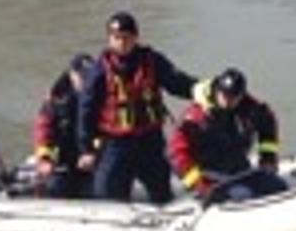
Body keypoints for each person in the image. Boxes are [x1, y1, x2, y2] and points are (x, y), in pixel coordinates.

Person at [77, 10, 198, 205]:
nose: (122, 43)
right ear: (109, 39)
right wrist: (86, 149)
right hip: (116, 143)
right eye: (116, 38)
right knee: (107, 194)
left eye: (127, 38)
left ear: (136, 38)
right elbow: (86, 112)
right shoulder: (99, 71)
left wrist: (202, 90)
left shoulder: (153, 61)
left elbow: (177, 83)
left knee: (161, 190)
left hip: (149, 140)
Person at [170, 66, 285, 204]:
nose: (228, 100)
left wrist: (268, 158)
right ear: (217, 90)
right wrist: (199, 185)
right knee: (231, 198)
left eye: (234, 97)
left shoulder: (250, 109)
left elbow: (267, 123)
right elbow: (177, 154)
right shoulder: (196, 117)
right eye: (224, 95)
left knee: (277, 186)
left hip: (241, 171)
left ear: (241, 95)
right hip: (209, 178)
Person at [31, 53, 95, 198]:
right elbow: (43, 131)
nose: (86, 81)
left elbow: (109, 130)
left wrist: (94, 155)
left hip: (92, 160)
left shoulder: (101, 96)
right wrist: (45, 160)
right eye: (82, 76)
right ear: (72, 74)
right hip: (63, 160)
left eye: (89, 76)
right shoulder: (56, 99)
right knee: (54, 188)